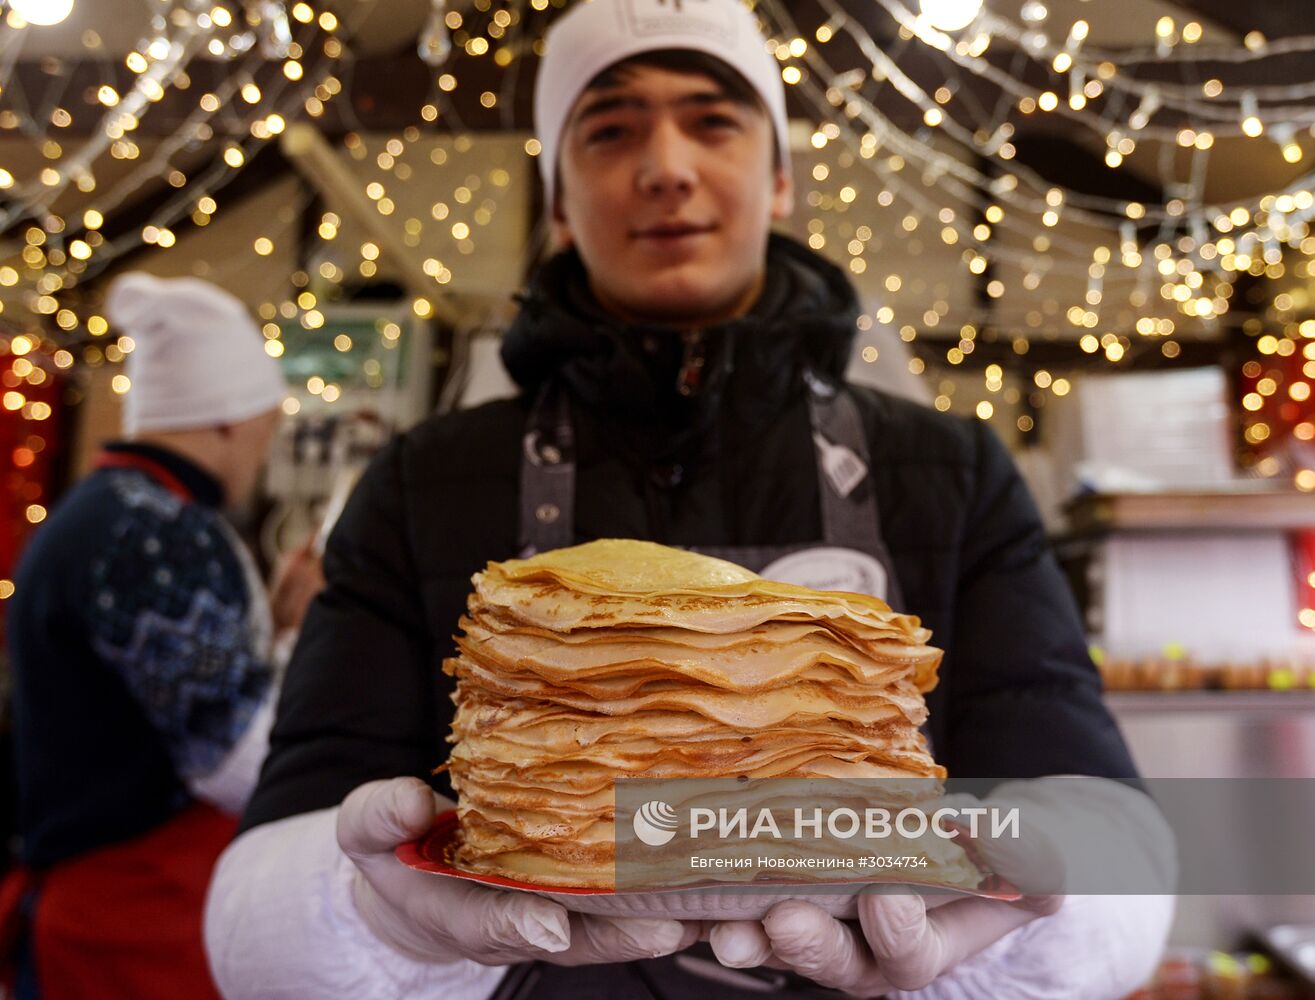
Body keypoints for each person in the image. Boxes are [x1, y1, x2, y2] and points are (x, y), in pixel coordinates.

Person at [206, 1, 1175, 997]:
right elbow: (258, 917)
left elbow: (1111, 841)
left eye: (713, 120)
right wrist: (374, 917)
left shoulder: (951, 473)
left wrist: (1023, 907)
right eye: (611, 128)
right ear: (556, 199)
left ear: (782, 176)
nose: (665, 165)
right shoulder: (417, 487)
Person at [3, 273, 322, 1000]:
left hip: (88, 898)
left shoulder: (97, 509)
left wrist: (268, 628)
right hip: (130, 921)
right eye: (264, 431)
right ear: (225, 420)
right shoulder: (163, 533)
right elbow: (238, 762)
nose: (261, 455)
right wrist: (302, 645)